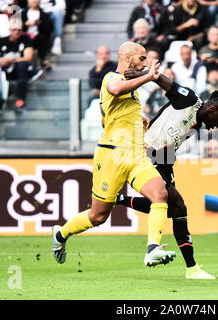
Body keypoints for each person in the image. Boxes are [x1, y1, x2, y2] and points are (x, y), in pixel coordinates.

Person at [52, 42, 175, 268]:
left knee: (160, 194)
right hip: (112, 156)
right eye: (142, 58)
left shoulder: (131, 87)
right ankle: (61, 234)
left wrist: (138, 120)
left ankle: (152, 249)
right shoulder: (110, 78)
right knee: (98, 217)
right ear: (128, 58)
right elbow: (115, 90)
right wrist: (149, 77)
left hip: (136, 156)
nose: (145, 63)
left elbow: (107, 118)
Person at [115, 64, 218, 279]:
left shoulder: (198, 122)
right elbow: (162, 80)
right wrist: (143, 74)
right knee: (175, 205)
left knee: (173, 208)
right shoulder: (188, 100)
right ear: (213, 109)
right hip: (148, 153)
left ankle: (120, 200)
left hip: (164, 160)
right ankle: (184, 265)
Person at [0, 18, 41, 111]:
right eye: (14, 29)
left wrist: (12, 60)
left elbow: (28, 57)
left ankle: (20, 100)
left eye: (19, 29)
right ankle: (0, 102)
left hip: (20, 71)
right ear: (10, 30)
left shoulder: (26, 39)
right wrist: (1, 61)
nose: (17, 32)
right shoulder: (1, 41)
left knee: (23, 65)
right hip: (5, 71)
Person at [21, 0, 54, 66]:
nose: (34, 1)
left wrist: (40, 23)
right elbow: (18, 27)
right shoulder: (23, 13)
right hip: (25, 37)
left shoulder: (43, 14)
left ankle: (43, 59)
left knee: (41, 39)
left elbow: (49, 29)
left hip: (38, 37)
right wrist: (25, 24)